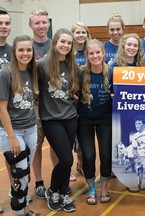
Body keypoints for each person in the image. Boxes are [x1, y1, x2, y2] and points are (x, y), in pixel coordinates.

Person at [37, 28, 79, 212]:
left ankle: (62, 194)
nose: (66, 45)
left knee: (66, 159)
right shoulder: (42, 65)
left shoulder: (72, 65)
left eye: (69, 43)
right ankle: (52, 190)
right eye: (62, 42)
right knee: (66, 159)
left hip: (70, 117)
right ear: (55, 43)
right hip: (51, 118)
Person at [0, 35, 40, 216]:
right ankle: (18, 212)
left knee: (25, 176)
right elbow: (1, 107)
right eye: (21, 50)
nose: (25, 53)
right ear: (14, 52)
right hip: (12, 131)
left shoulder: (33, 71)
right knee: (19, 175)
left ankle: (25, 210)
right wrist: (12, 137)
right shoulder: (6, 73)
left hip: (31, 129)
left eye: (29, 50)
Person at [77, 39, 113, 205]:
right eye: (91, 53)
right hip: (85, 120)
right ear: (86, 56)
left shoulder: (112, 72)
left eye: (98, 52)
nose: (95, 56)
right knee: (89, 155)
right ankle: (91, 187)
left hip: (105, 119)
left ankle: (104, 187)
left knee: (106, 155)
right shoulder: (80, 73)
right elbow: (71, 92)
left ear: (103, 54)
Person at [29, 9, 52, 199]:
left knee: (57, 144)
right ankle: (38, 181)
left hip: (54, 104)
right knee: (37, 145)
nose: (41, 26)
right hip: (34, 105)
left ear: (49, 24)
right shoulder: (25, 47)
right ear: (30, 25)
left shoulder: (56, 45)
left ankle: (59, 176)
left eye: (44, 22)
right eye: (37, 23)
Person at [70, 21, 92, 181]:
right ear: (72, 35)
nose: (80, 35)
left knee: (83, 136)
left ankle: (81, 163)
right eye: (77, 32)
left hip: (86, 99)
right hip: (71, 100)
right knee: (71, 136)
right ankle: (69, 167)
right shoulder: (68, 52)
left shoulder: (90, 51)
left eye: (83, 32)